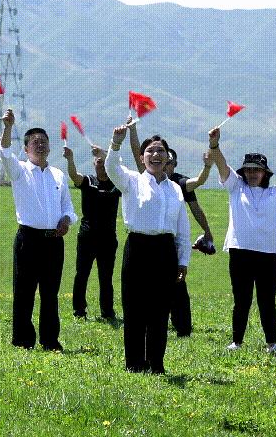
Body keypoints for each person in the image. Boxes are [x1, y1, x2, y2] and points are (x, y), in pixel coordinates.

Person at [102, 125, 190, 373]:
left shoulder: (175, 189)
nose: (156, 155)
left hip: (165, 251)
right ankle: (134, 363)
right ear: (142, 158)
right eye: (150, 151)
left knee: (160, 310)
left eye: (160, 151)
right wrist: (115, 143)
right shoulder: (132, 181)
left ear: (168, 157)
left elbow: (182, 229)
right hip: (138, 247)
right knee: (134, 307)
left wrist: (183, 261)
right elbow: (111, 168)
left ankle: (156, 363)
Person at [207, 126, 276, 353]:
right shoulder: (236, 187)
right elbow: (222, 165)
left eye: (257, 170)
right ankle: (236, 342)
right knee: (242, 299)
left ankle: (272, 343)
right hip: (240, 252)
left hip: (268, 254)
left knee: (267, 300)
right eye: (248, 170)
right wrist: (215, 145)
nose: (252, 174)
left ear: (265, 173)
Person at [0, 109, 77, 351]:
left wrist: (66, 220)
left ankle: (50, 340)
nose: (40, 146)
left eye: (44, 142)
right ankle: (23, 340)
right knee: (24, 292)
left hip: (53, 241)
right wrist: (8, 127)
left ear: (50, 147)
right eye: (35, 143)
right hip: (28, 239)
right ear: (26, 149)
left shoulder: (58, 175)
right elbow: (4, 152)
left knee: (50, 293)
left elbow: (69, 208)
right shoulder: (20, 171)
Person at [127, 126, 212, 337]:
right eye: (152, 154)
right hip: (143, 246)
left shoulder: (178, 185)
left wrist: (207, 231)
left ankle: (182, 327)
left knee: (176, 290)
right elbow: (138, 150)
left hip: (169, 249)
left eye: (167, 159)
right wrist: (133, 130)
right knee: (143, 296)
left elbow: (194, 207)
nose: (160, 159)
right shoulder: (141, 179)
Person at [63, 144, 120, 321]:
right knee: (82, 274)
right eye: (97, 162)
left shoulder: (117, 184)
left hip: (108, 239)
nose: (100, 164)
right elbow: (74, 175)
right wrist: (70, 159)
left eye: (103, 162)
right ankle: (79, 310)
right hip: (87, 237)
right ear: (93, 164)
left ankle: (107, 312)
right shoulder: (88, 181)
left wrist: (104, 153)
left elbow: (120, 165)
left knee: (106, 277)